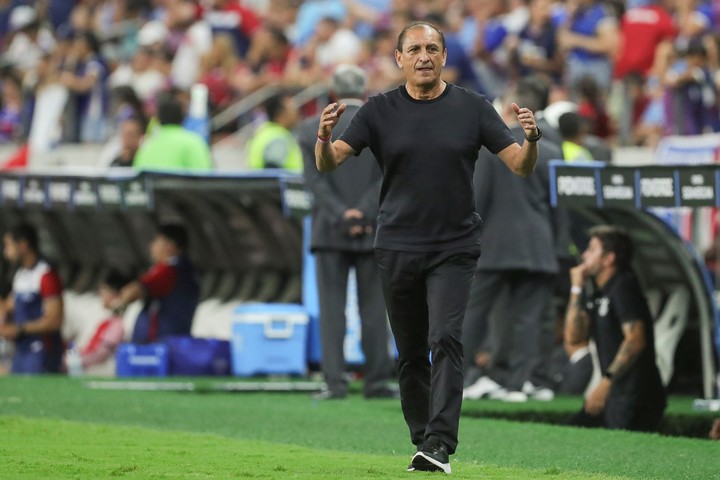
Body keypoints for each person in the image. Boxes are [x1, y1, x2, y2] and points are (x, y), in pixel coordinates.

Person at [315, 21, 540, 474]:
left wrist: (531, 140)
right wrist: (322, 137)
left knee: (446, 339)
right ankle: (423, 438)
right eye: (414, 48)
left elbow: (519, 166)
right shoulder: (378, 110)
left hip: (454, 246)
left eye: (432, 48)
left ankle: (439, 443)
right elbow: (331, 162)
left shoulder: (473, 107)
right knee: (412, 352)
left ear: (443, 56)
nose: (423, 56)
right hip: (396, 244)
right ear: (398, 58)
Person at [298, 64, 395, 400]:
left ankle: (335, 383)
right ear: (365, 89)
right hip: (373, 228)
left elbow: (313, 181)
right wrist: (364, 211)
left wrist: (341, 213)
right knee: (374, 309)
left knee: (332, 310)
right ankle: (377, 382)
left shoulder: (310, 128)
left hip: (329, 229)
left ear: (333, 92)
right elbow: (387, 176)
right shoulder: (383, 126)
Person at [462, 82, 563, 403]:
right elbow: (558, 206)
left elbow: (478, 201)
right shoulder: (552, 151)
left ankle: (461, 378)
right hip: (538, 245)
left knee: (473, 314)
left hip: (494, 244)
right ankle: (517, 385)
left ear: (509, 109)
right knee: (529, 318)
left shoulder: (491, 147)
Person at [565, 225, 666, 431]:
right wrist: (576, 289)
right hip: (616, 393)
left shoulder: (624, 287)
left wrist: (605, 383)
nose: (584, 255)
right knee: (572, 433)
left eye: (592, 250)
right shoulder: (600, 292)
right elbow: (574, 337)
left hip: (636, 396)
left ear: (608, 259)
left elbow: (636, 339)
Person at [113, 224, 201, 344]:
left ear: (170, 246)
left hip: (156, 345)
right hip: (176, 340)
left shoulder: (167, 271)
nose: (151, 247)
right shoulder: (189, 271)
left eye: (156, 242)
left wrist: (120, 304)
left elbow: (133, 291)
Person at [0, 223, 64, 374]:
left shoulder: (45, 275)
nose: (5, 252)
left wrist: (19, 329)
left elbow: (55, 320)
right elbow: (8, 306)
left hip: (41, 350)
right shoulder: (21, 274)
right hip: (22, 350)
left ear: (22, 245)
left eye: (8, 245)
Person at [65, 270, 131, 376]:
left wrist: (77, 362)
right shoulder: (103, 317)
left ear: (113, 294)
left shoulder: (118, 323)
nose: (100, 295)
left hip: (101, 369)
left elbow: (102, 353)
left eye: (103, 291)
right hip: (88, 364)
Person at [133, 93, 213, 172]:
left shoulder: (146, 146)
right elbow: (205, 176)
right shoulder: (194, 142)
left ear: (158, 119)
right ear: (183, 117)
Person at [245, 91, 302, 172]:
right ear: (281, 114)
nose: (297, 113)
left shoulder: (262, 132)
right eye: (292, 109)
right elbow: (272, 172)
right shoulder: (278, 138)